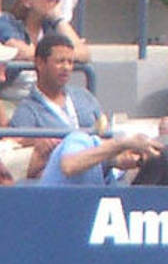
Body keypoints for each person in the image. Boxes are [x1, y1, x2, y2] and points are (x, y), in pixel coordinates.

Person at [8, 32, 102, 178]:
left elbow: (105, 130)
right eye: (60, 61)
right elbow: (23, 162)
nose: (66, 67)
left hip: (100, 169)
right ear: (40, 63)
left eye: (70, 62)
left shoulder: (85, 97)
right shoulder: (26, 112)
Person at [0, 0, 86, 63]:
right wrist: (61, 55)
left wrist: (59, 20)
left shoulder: (51, 25)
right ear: (27, 1)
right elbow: (21, 51)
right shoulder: (6, 22)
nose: (54, 0)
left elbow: (84, 54)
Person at [35, 120, 157, 185]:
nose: (134, 160)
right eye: (134, 151)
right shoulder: (81, 140)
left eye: (139, 162)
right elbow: (69, 166)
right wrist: (121, 144)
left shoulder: (109, 179)